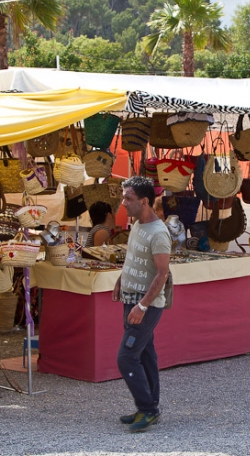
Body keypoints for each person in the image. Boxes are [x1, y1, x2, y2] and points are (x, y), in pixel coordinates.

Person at [112, 176, 172, 432]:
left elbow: (162, 274)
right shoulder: (137, 225)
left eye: (129, 198)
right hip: (131, 299)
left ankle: (146, 409)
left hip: (144, 305)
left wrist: (143, 306)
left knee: (126, 357)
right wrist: (120, 280)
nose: (123, 202)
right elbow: (134, 260)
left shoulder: (159, 233)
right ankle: (150, 408)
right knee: (145, 354)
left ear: (144, 201)